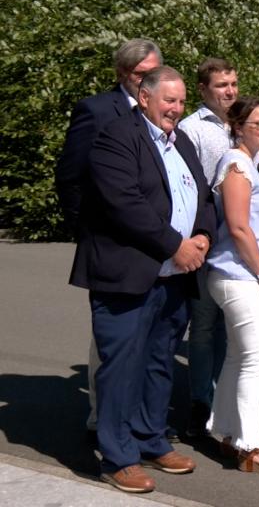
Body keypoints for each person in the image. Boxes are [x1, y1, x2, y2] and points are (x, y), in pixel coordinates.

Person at [69, 66, 214, 493]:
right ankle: (118, 457)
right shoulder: (117, 135)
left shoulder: (180, 140)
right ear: (144, 97)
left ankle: (151, 440)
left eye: (182, 101)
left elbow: (203, 195)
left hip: (173, 278)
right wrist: (176, 244)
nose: (176, 108)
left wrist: (204, 234)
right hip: (128, 274)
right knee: (121, 367)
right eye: (169, 100)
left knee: (158, 363)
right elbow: (124, 203)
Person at [55, 39, 163, 438]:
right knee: (111, 341)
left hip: (156, 247)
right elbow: (70, 177)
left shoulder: (163, 113)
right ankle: (103, 420)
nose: (145, 82)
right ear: (122, 74)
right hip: (113, 248)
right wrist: (89, 228)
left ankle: (139, 420)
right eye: (139, 75)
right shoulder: (97, 111)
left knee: (148, 342)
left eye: (152, 73)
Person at [205, 97, 259, 474]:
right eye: (258, 123)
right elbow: (238, 227)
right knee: (258, 358)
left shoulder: (251, 165)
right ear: (238, 127)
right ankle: (251, 443)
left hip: (242, 276)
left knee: (239, 357)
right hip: (239, 277)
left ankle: (223, 429)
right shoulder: (237, 165)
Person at [178, 57, 238, 437]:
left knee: (228, 325)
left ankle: (223, 395)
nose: (229, 91)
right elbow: (191, 189)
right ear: (203, 90)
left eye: (233, 83)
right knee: (203, 324)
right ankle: (201, 399)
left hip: (238, 242)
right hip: (207, 238)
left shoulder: (243, 121)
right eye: (221, 85)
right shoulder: (192, 129)